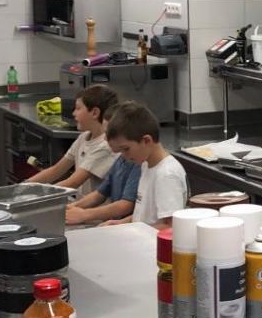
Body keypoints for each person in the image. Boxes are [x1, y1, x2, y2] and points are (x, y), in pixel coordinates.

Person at [103, 101, 186, 229]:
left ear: (146, 140)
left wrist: (131, 231)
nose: (123, 156)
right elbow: (145, 214)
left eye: (126, 149)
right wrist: (122, 223)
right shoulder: (146, 165)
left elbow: (170, 227)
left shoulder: (166, 175)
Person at [27, 85, 119, 194]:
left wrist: (38, 195)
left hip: (92, 205)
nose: (73, 113)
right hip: (80, 202)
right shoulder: (83, 137)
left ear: (95, 112)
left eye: (78, 108)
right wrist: (24, 185)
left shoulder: (105, 145)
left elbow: (73, 182)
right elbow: (56, 169)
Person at [64, 103, 140, 225]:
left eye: (108, 134)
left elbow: (126, 205)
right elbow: (100, 194)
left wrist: (84, 215)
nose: (104, 139)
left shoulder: (137, 162)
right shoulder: (121, 158)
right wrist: (72, 208)